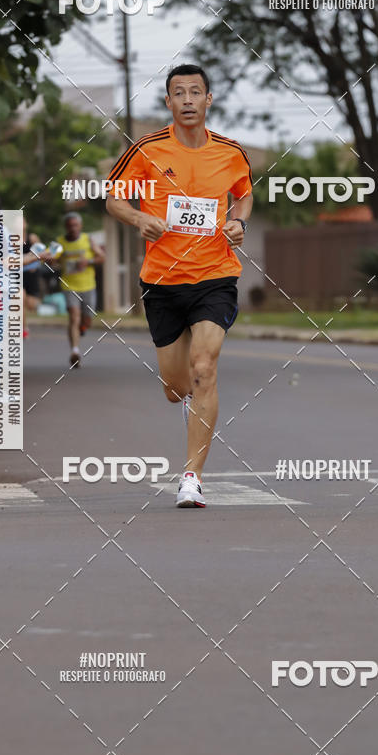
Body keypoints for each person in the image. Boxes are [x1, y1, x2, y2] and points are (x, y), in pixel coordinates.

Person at [106, 63, 253, 508]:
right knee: (175, 387)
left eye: (195, 92)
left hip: (215, 276)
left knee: (204, 368)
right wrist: (138, 217)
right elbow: (114, 197)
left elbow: (244, 193)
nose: (187, 100)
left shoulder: (230, 152)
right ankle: (183, 391)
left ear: (209, 100)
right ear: (168, 102)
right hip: (163, 281)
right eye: (178, 93)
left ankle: (192, 477)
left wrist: (237, 221)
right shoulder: (146, 149)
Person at [55, 212, 105, 367]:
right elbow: (52, 260)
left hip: (88, 285)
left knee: (87, 320)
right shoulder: (60, 242)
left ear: (80, 226)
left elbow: (102, 257)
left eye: (75, 225)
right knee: (74, 317)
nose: (73, 228)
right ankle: (75, 351)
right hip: (69, 285)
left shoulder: (88, 240)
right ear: (66, 227)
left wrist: (88, 261)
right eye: (70, 226)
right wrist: (52, 260)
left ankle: (83, 328)